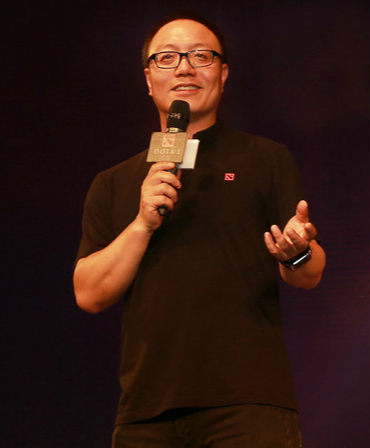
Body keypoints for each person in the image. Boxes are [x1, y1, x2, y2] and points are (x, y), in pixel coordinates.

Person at [73, 11, 325, 447]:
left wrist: (297, 251)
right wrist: (142, 223)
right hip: (145, 413)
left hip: (246, 404)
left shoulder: (263, 159)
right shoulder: (113, 182)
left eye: (201, 56)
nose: (185, 68)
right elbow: (89, 293)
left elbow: (309, 272)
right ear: (148, 78)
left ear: (223, 75)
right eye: (167, 57)